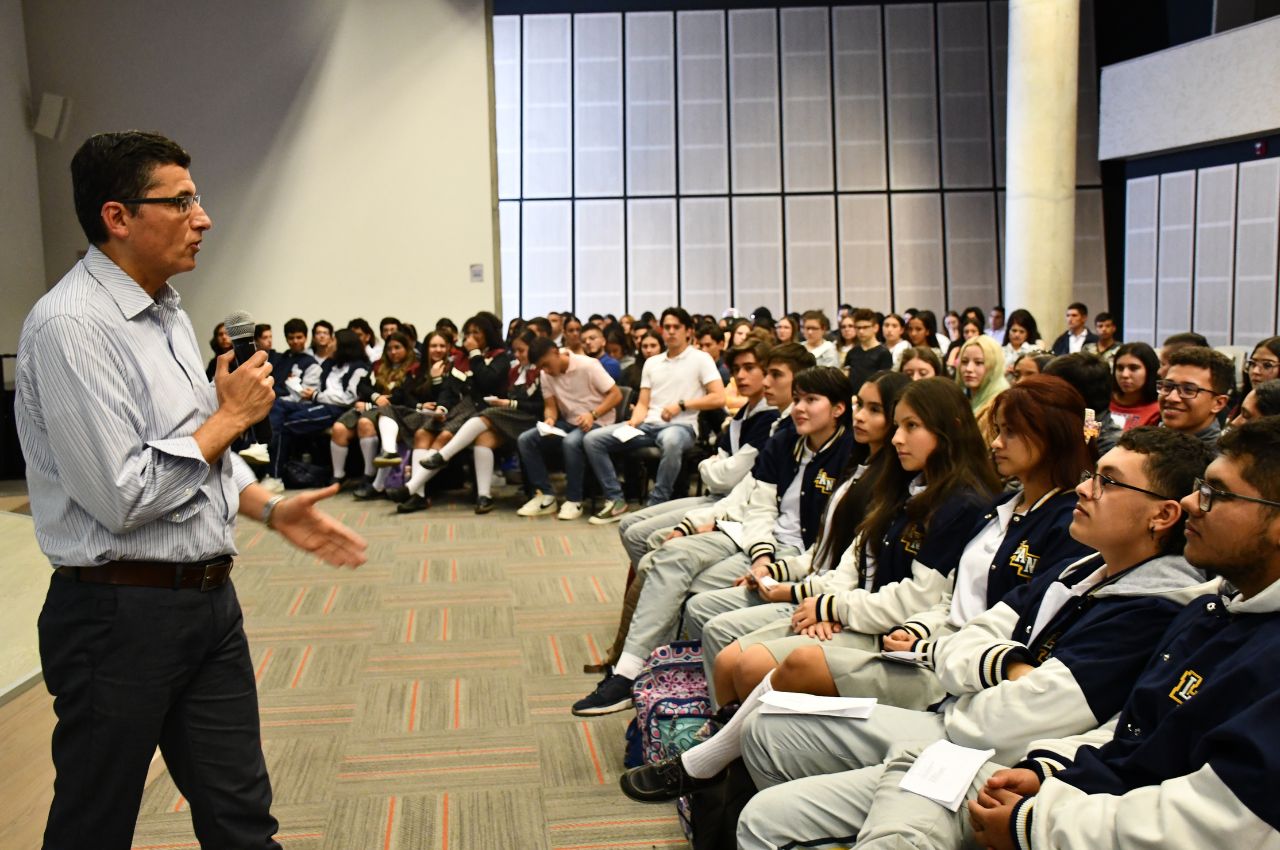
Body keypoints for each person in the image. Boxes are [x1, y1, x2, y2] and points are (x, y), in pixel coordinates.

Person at [15, 130, 367, 850]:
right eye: (181, 202)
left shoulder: (168, 308)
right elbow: (124, 493)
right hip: (116, 614)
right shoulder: (72, 326)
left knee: (243, 823)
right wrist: (234, 416)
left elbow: (193, 443)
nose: (203, 217)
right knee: (95, 824)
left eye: (196, 199)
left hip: (208, 604)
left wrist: (268, 506)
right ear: (118, 217)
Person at [572, 366, 853, 717]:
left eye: (811, 400)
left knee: (688, 589)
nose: (799, 408)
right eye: (797, 399)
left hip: (800, 556)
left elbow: (833, 541)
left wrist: (773, 565)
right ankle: (631, 674)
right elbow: (761, 505)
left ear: (839, 408)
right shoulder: (785, 440)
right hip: (757, 540)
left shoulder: (850, 454)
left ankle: (669, 684)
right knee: (668, 561)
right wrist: (762, 555)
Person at [583, 308, 725, 524]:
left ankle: (655, 504)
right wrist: (633, 421)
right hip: (648, 425)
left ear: (688, 331)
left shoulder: (701, 359)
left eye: (676, 327)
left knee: (671, 440)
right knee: (593, 439)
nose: (670, 332)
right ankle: (616, 500)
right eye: (666, 327)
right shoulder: (652, 362)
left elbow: (718, 398)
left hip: (681, 426)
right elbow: (643, 403)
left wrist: (682, 405)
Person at [395, 314, 513, 513]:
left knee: (445, 435)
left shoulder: (499, 356)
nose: (471, 337)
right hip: (456, 409)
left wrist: (475, 353)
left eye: (476, 333)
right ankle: (419, 495)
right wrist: (442, 407)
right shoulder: (460, 359)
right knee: (422, 434)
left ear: (487, 334)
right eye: (468, 333)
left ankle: (412, 487)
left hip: (482, 410)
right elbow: (449, 390)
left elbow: (487, 383)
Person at [416, 329, 543, 513]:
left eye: (521, 351)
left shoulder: (538, 370)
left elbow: (540, 406)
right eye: (515, 351)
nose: (516, 355)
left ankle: (441, 457)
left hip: (529, 419)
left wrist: (510, 403)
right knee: (483, 439)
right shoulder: (516, 370)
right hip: (510, 417)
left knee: (486, 414)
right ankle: (484, 496)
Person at [517, 337, 623, 519]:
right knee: (526, 440)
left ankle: (574, 500)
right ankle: (545, 495)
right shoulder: (546, 374)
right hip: (569, 422)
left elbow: (616, 395)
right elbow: (550, 405)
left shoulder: (588, 365)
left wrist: (593, 414)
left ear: (556, 353)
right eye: (541, 367)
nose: (546, 371)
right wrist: (550, 419)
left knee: (570, 442)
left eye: (546, 364)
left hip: (598, 420)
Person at [329, 331, 418, 491]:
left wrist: (371, 405)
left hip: (394, 412)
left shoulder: (414, 367)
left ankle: (369, 474)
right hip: (372, 405)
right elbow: (362, 386)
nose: (393, 352)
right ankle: (338, 476)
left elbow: (402, 396)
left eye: (397, 348)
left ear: (407, 348)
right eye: (389, 348)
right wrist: (376, 397)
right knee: (339, 429)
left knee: (365, 423)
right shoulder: (378, 365)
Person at [1159, 345, 1233, 451]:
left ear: (1218, 403)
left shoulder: (1217, 461)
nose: (1171, 397)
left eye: (1188, 390)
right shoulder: (1147, 442)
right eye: (1167, 386)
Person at [1110, 341, 1162, 430]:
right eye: (1120, 368)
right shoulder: (1103, 401)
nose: (1125, 375)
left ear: (1149, 371)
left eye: (1133, 368)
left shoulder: (1158, 410)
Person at [844, 308, 893, 391]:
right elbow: (846, 377)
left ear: (875, 328)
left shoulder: (884, 353)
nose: (861, 331)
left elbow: (884, 382)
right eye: (858, 328)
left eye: (865, 327)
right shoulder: (852, 352)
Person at [1001, 309, 1045, 376]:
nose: (1017, 335)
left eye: (1021, 331)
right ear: (1008, 331)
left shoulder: (1034, 350)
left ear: (1027, 334)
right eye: (1014, 330)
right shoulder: (1000, 351)